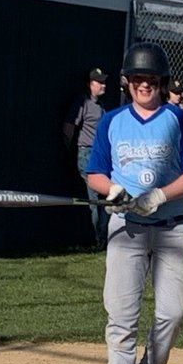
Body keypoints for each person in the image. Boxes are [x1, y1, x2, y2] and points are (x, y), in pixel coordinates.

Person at [84, 42, 183, 364]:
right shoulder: (112, 121)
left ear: (161, 82)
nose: (144, 85)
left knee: (174, 308)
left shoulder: (180, 120)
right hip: (127, 228)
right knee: (121, 313)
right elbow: (96, 173)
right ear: (127, 82)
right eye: (137, 78)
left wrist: (159, 195)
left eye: (150, 79)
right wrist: (113, 192)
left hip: (171, 227)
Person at [62, 66, 110, 246]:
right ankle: (98, 237)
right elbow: (68, 127)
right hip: (87, 152)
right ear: (90, 84)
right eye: (99, 82)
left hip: (100, 154)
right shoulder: (83, 102)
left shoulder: (101, 106)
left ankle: (102, 237)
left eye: (104, 82)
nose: (103, 85)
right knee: (94, 198)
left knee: (104, 196)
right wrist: (70, 149)